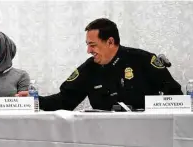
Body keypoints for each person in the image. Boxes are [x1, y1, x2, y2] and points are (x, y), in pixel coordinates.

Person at [19, 18, 183, 111]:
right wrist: (35, 101)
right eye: (87, 44)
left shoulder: (143, 60)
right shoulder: (89, 69)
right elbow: (65, 100)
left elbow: (175, 96)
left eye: (93, 45)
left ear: (110, 42)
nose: (88, 50)